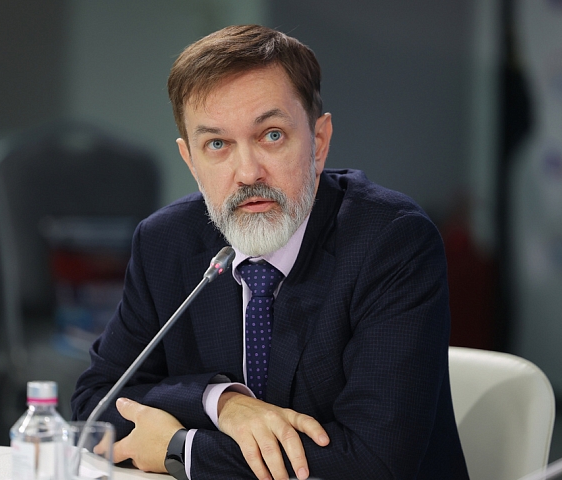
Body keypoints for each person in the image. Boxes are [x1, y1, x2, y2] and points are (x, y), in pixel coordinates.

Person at [71, 24, 469, 480]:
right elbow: (95, 406)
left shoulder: (391, 242)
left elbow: (376, 460)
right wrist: (222, 403)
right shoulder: (166, 242)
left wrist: (184, 448)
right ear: (191, 161)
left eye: (272, 135)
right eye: (217, 144)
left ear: (319, 141)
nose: (247, 172)